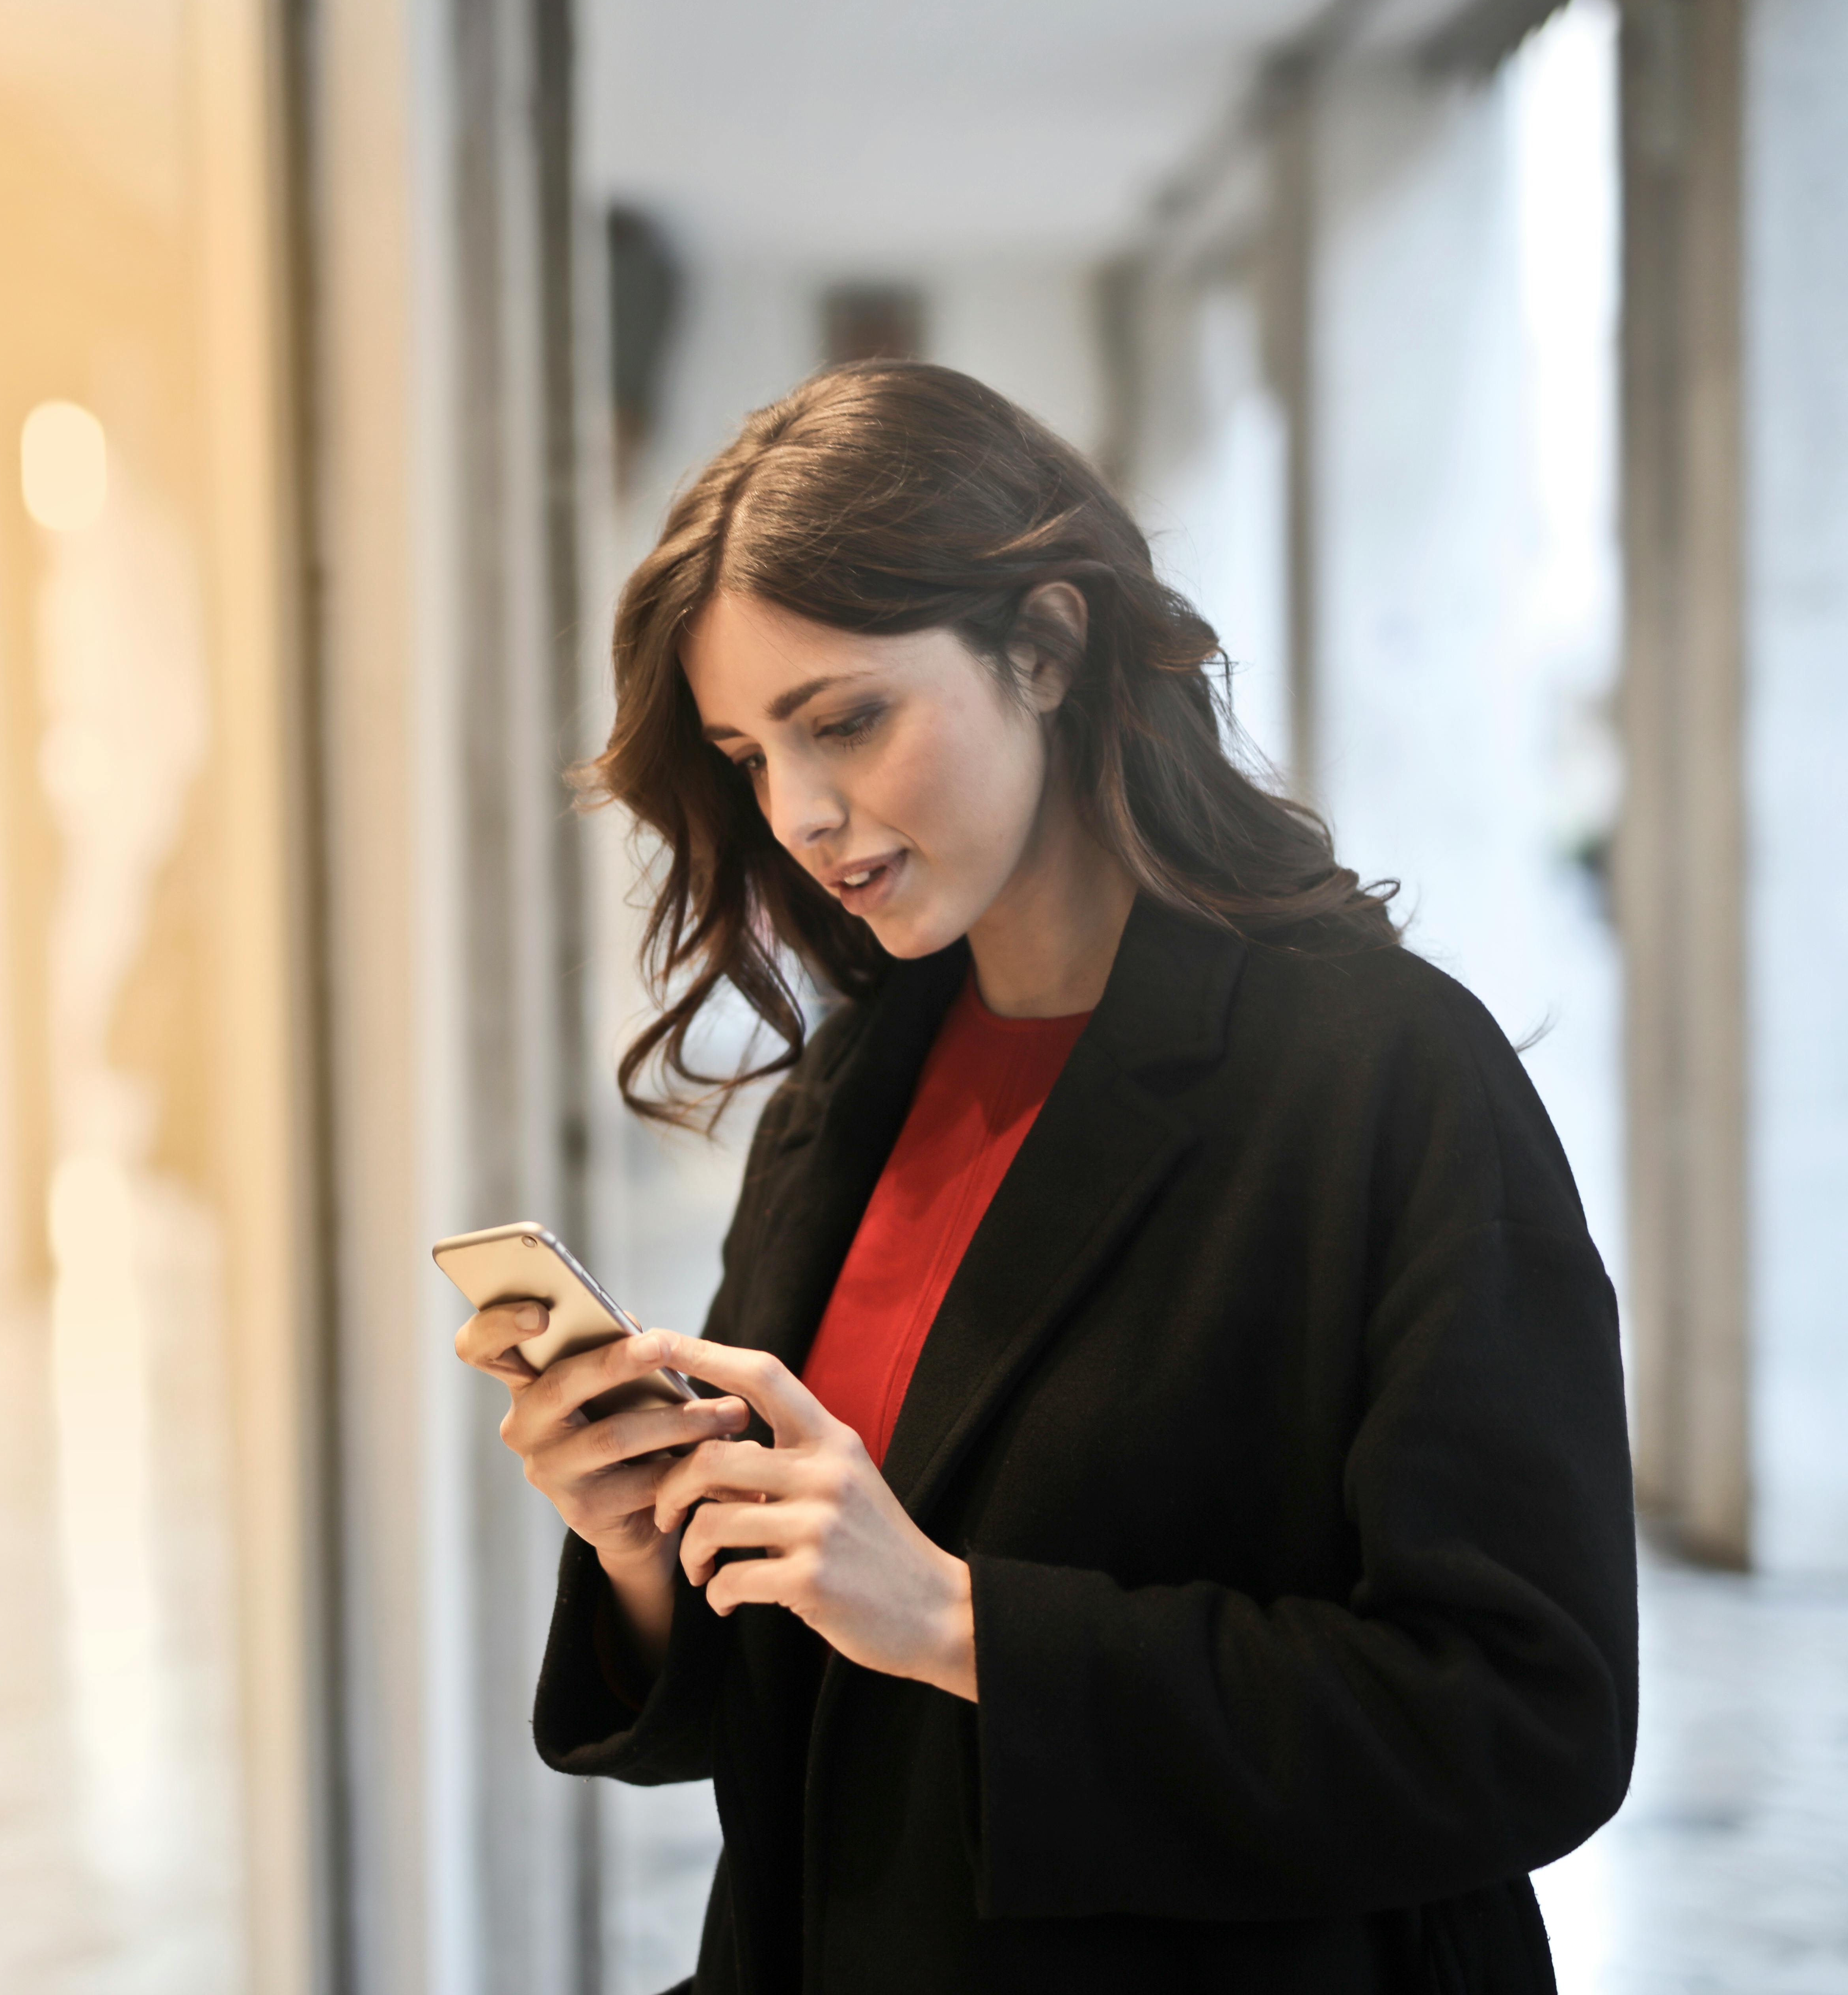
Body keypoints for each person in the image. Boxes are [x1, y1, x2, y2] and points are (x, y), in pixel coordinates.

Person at [455, 362, 1636, 1992]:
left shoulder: (1382, 1074)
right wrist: (652, 1546)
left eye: (846, 718)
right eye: (744, 754)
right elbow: (794, 1683)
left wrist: (961, 1621)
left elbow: (1527, 1717)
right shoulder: (850, 1090)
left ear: (1049, 646)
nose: (799, 813)